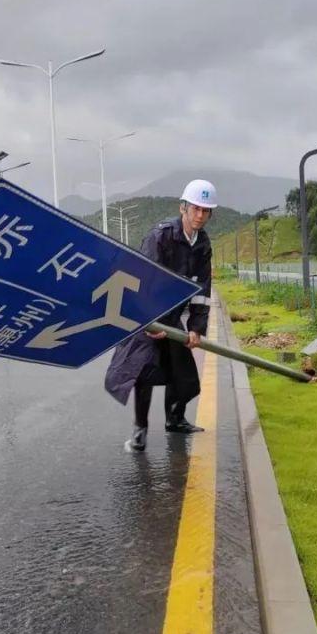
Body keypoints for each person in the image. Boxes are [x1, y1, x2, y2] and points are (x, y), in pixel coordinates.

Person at [105, 179, 216, 452]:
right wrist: (146, 322)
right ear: (183, 208)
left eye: (206, 211)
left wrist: (196, 328)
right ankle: (140, 431)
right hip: (147, 315)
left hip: (173, 316)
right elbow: (140, 280)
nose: (200, 216)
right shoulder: (161, 236)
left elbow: (202, 290)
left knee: (183, 373)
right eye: (196, 209)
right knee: (143, 371)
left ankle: (175, 419)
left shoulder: (202, 244)